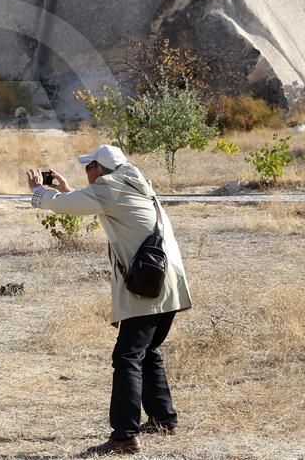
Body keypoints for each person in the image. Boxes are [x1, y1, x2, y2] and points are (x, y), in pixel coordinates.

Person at [26, 145, 192, 456]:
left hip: (148, 286)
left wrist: (39, 190)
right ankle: (162, 419)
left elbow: (63, 207)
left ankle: (124, 437)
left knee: (127, 356)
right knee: (146, 350)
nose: (86, 171)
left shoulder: (109, 188)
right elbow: (86, 201)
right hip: (168, 281)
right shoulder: (133, 183)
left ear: (100, 170)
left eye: (89, 166)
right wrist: (65, 189)